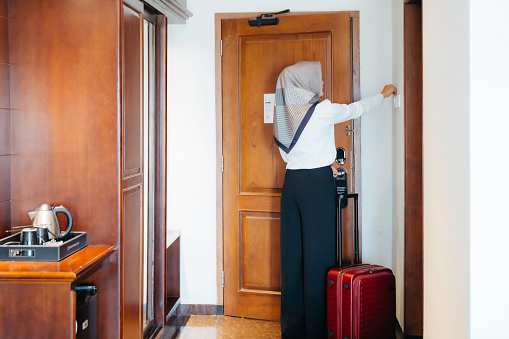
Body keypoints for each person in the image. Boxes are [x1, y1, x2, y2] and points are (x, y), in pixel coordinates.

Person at [274, 61, 397, 339]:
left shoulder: (286, 114)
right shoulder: (321, 110)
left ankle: (292, 332)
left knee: (292, 259)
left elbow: (289, 156)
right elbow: (357, 109)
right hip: (317, 185)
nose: (322, 85)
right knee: (318, 258)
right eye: (318, 80)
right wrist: (384, 93)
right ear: (305, 83)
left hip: (291, 183)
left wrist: (315, 161)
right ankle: (317, 331)